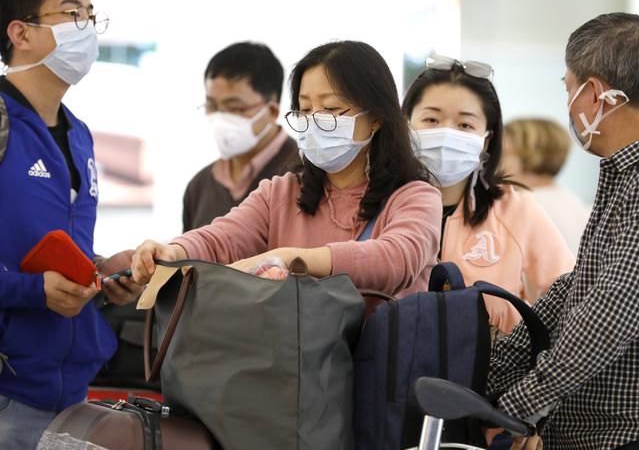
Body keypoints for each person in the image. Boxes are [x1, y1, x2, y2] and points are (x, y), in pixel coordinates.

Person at [132, 40, 441, 303]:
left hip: (376, 370)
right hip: (294, 370)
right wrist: (174, 250)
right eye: (304, 110)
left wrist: (287, 259)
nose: (314, 121)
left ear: (375, 118)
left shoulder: (415, 196)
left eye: (331, 109)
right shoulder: (281, 192)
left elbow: (394, 262)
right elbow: (221, 239)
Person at [487, 12, 639, 449]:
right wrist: (500, 363)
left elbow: (613, 309)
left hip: (624, 435)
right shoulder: (624, 174)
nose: (570, 107)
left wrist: (521, 402)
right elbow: (581, 285)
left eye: (568, 90)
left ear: (594, 94)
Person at [0, 0, 143, 448]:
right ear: (20, 32)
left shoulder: (78, 132)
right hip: (8, 389)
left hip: (71, 391)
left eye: (90, 15)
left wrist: (103, 274)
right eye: (70, 13)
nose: (87, 28)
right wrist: (32, 290)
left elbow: (56, 244)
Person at [403, 55, 575, 335]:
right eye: (432, 119)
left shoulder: (514, 209)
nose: (446, 132)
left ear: (487, 139)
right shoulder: (383, 202)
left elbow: (570, 291)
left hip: (488, 375)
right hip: (394, 369)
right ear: (406, 124)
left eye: (465, 125)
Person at [183, 42, 298, 232]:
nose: (221, 118)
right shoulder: (199, 186)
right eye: (212, 106)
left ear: (271, 110)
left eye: (235, 108)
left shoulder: (304, 176)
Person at [502, 118, 590, 254]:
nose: (493, 162)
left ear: (531, 155)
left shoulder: (525, 206)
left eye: (504, 154)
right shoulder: (571, 201)